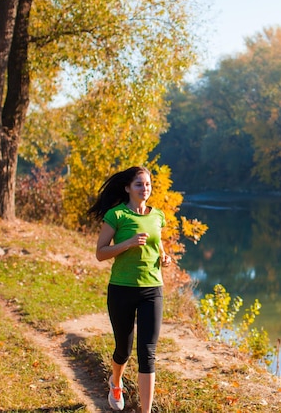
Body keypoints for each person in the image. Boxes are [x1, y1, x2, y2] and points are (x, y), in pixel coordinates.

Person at [88, 166, 170, 412]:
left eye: (147, 184)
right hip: (122, 289)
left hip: (152, 289)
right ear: (127, 188)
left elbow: (158, 245)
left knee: (148, 353)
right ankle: (115, 382)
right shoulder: (117, 215)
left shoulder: (158, 216)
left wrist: (165, 258)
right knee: (123, 349)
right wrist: (128, 243)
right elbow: (100, 253)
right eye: (139, 184)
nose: (145, 189)